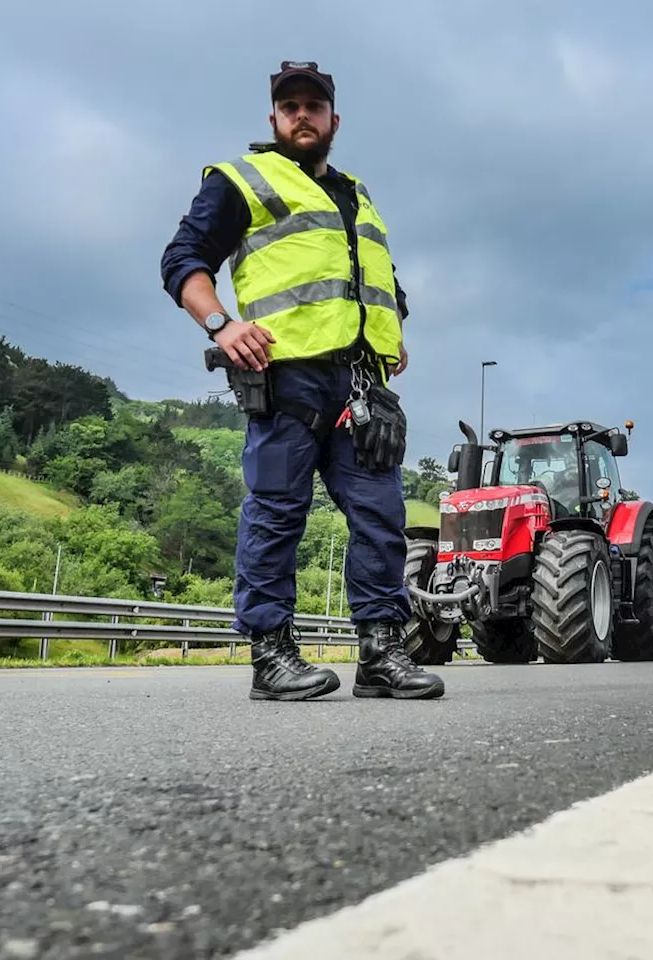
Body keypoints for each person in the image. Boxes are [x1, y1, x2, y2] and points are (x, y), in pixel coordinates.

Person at [160, 61, 444, 701]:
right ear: (274, 119)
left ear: (333, 119)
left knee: (381, 517)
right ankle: (271, 658)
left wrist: (391, 332)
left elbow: (376, 278)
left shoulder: (355, 194)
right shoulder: (242, 180)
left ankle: (381, 654)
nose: (301, 116)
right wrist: (219, 325)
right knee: (276, 513)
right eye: (289, 106)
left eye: (312, 106)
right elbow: (183, 260)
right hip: (284, 379)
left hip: (361, 387)